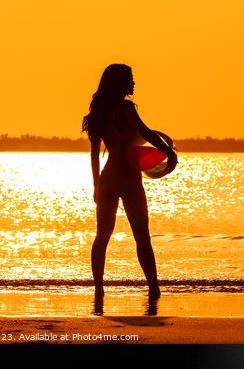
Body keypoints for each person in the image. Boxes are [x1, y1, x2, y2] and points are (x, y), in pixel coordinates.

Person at [81, 63, 178, 314]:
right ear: (119, 82)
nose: (134, 83)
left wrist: (96, 183)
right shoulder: (123, 109)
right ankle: (152, 288)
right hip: (126, 180)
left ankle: (100, 288)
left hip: (110, 177)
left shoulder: (103, 111)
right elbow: (146, 133)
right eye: (130, 79)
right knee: (140, 237)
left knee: (104, 236)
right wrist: (169, 152)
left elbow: (94, 155)